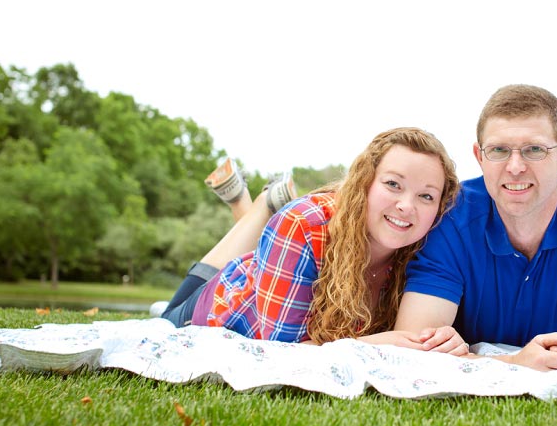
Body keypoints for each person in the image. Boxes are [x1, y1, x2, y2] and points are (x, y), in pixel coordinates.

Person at [154, 127, 467, 351]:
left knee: (265, 250)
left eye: (426, 195)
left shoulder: (427, 246)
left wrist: (445, 340)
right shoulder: (303, 223)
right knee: (166, 315)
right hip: (223, 304)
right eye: (393, 184)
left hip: (266, 265)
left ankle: (252, 204)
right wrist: (367, 344)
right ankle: (260, 204)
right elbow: (279, 351)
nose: (407, 206)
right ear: (365, 183)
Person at [395, 84, 557, 371]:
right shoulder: (451, 217)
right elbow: (415, 346)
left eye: (534, 150)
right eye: (499, 150)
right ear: (480, 157)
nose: (515, 167)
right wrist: (517, 362)